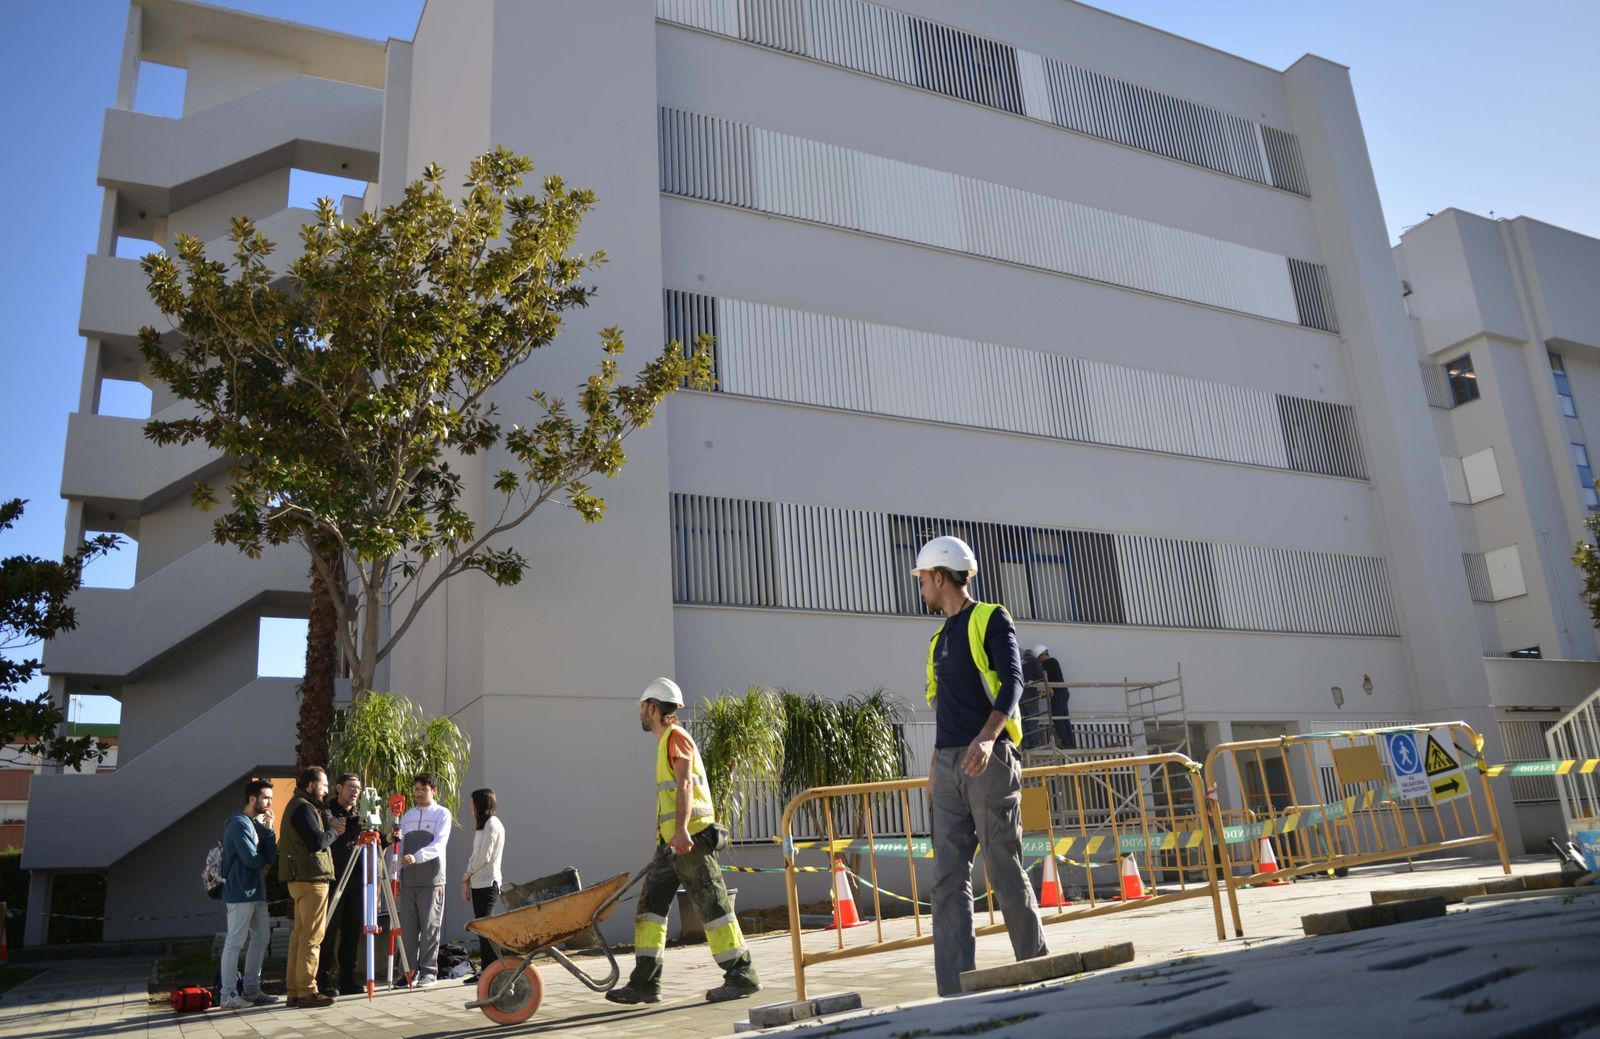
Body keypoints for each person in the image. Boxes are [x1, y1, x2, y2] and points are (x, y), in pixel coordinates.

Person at [915, 536, 1048, 997]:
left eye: (922, 580)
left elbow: (1014, 681)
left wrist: (988, 738)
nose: (920, 589)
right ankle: (954, 990)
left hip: (987, 760)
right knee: (948, 878)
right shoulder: (937, 641)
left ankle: (1035, 967)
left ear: (939, 577)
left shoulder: (990, 618)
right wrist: (935, 768)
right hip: (949, 766)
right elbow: (944, 711)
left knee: (1003, 864)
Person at [606, 677, 761, 1006]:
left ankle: (741, 975)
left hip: (690, 840)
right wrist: (670, 837)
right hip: (671, 844)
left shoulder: (677, 738)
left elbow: (686, 785)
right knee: (649, 909)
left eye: (643, 709)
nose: (641, 715)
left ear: (652, 708)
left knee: (713, 906)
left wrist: (681, 831)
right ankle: (645, 983)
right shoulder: (666, 742)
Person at [279, 766, 346, 1008]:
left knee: (299, 936)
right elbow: (316, 842)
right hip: (311, 880)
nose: (327, 789)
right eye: (324, 784)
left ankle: (295, 990)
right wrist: (334, 831)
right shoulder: (303, 808)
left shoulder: (298, 806)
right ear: (310, 785)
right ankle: (307, 990)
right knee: (311, 937)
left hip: (300, 880)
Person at [219, 778, 282, 1010]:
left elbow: (270, 858)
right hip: (239, 892)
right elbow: (253, 860)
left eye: (271, 799)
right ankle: (227, 995)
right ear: (252, 798)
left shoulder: (256, 825)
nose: (269, 803)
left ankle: (252, 990)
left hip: (257, 893)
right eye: (265, 798)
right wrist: (265, 844)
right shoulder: (238, 823)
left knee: (262, 938)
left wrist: (269, 831)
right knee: (234, 942)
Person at [392, 772, 452, 988]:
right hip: (408, 882)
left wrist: (417, 857)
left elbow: (439, 845)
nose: (418, 793)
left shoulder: (441, 814)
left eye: (423, 789)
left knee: (430, 928)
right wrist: (396, 873)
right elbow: (398, 850)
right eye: (416, 789)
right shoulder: (407, 816)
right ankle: (408, 972)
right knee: (407, 929)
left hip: (431, 879)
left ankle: (429, 972)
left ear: (433, 790)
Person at [317, 772, 364, 997]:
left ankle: (349, 980)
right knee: (328, 930)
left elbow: (373, 837)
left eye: (358, 788)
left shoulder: (361, 814)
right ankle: (321, 980)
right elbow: (330, 830)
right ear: (338, 788)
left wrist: (389, 837)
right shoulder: (327, 812)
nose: (355, 791)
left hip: (357, 879)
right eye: (351, 787)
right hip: (335, 879)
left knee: (352, 932)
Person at [461, 787, 505, 984]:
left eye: (473, 803)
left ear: (482, 804)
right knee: (482, 927)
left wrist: (467, 873)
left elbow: (484, 856)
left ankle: (498, 968)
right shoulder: (483, 825)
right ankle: (488, 970)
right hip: (479, 883)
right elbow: (476, 855)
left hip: (488, 882)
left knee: (486, 927)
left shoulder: (492, 824)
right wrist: (468, 880)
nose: (471, 807)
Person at [1033, 644, 1075, 750]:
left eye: (1039, 658)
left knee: (1058, 719)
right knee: (1064, 718)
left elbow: (1040, 674)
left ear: (1042, 655)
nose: (1040, 661)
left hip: (1058, 693)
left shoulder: (1049, 662)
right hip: (1063, 692)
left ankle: (1066, 743)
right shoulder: (1053, 662)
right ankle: (1071, 744)